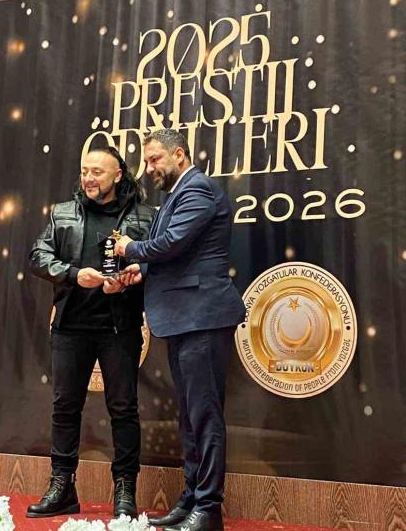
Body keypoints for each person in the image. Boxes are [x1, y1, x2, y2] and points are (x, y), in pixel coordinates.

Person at [113, 129, 244, 531]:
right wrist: (142, 269)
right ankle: (191, 500)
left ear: (180, 155)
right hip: (185, 318)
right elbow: (175, 253)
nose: (148, 168)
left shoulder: (197, 189)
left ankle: (209, 509)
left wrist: (130, 249)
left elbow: (173, 243)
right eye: (146, 161)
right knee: (190, 416)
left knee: (204, 416)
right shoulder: (176, 195)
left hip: (202, 317)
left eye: (155, 159)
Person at [27, 146, 155, 519]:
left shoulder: (146, 216)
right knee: (65, 407)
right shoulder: (63, 213)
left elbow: (158, 262)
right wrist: (72, 274)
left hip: (120, 328)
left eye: (97, 172)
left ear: (118, 174)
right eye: (85, 171)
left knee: (124, 409)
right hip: (70, 327)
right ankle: (62, 487)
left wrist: (133, 278)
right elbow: (38, 256)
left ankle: (125, 490)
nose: (88, 178)